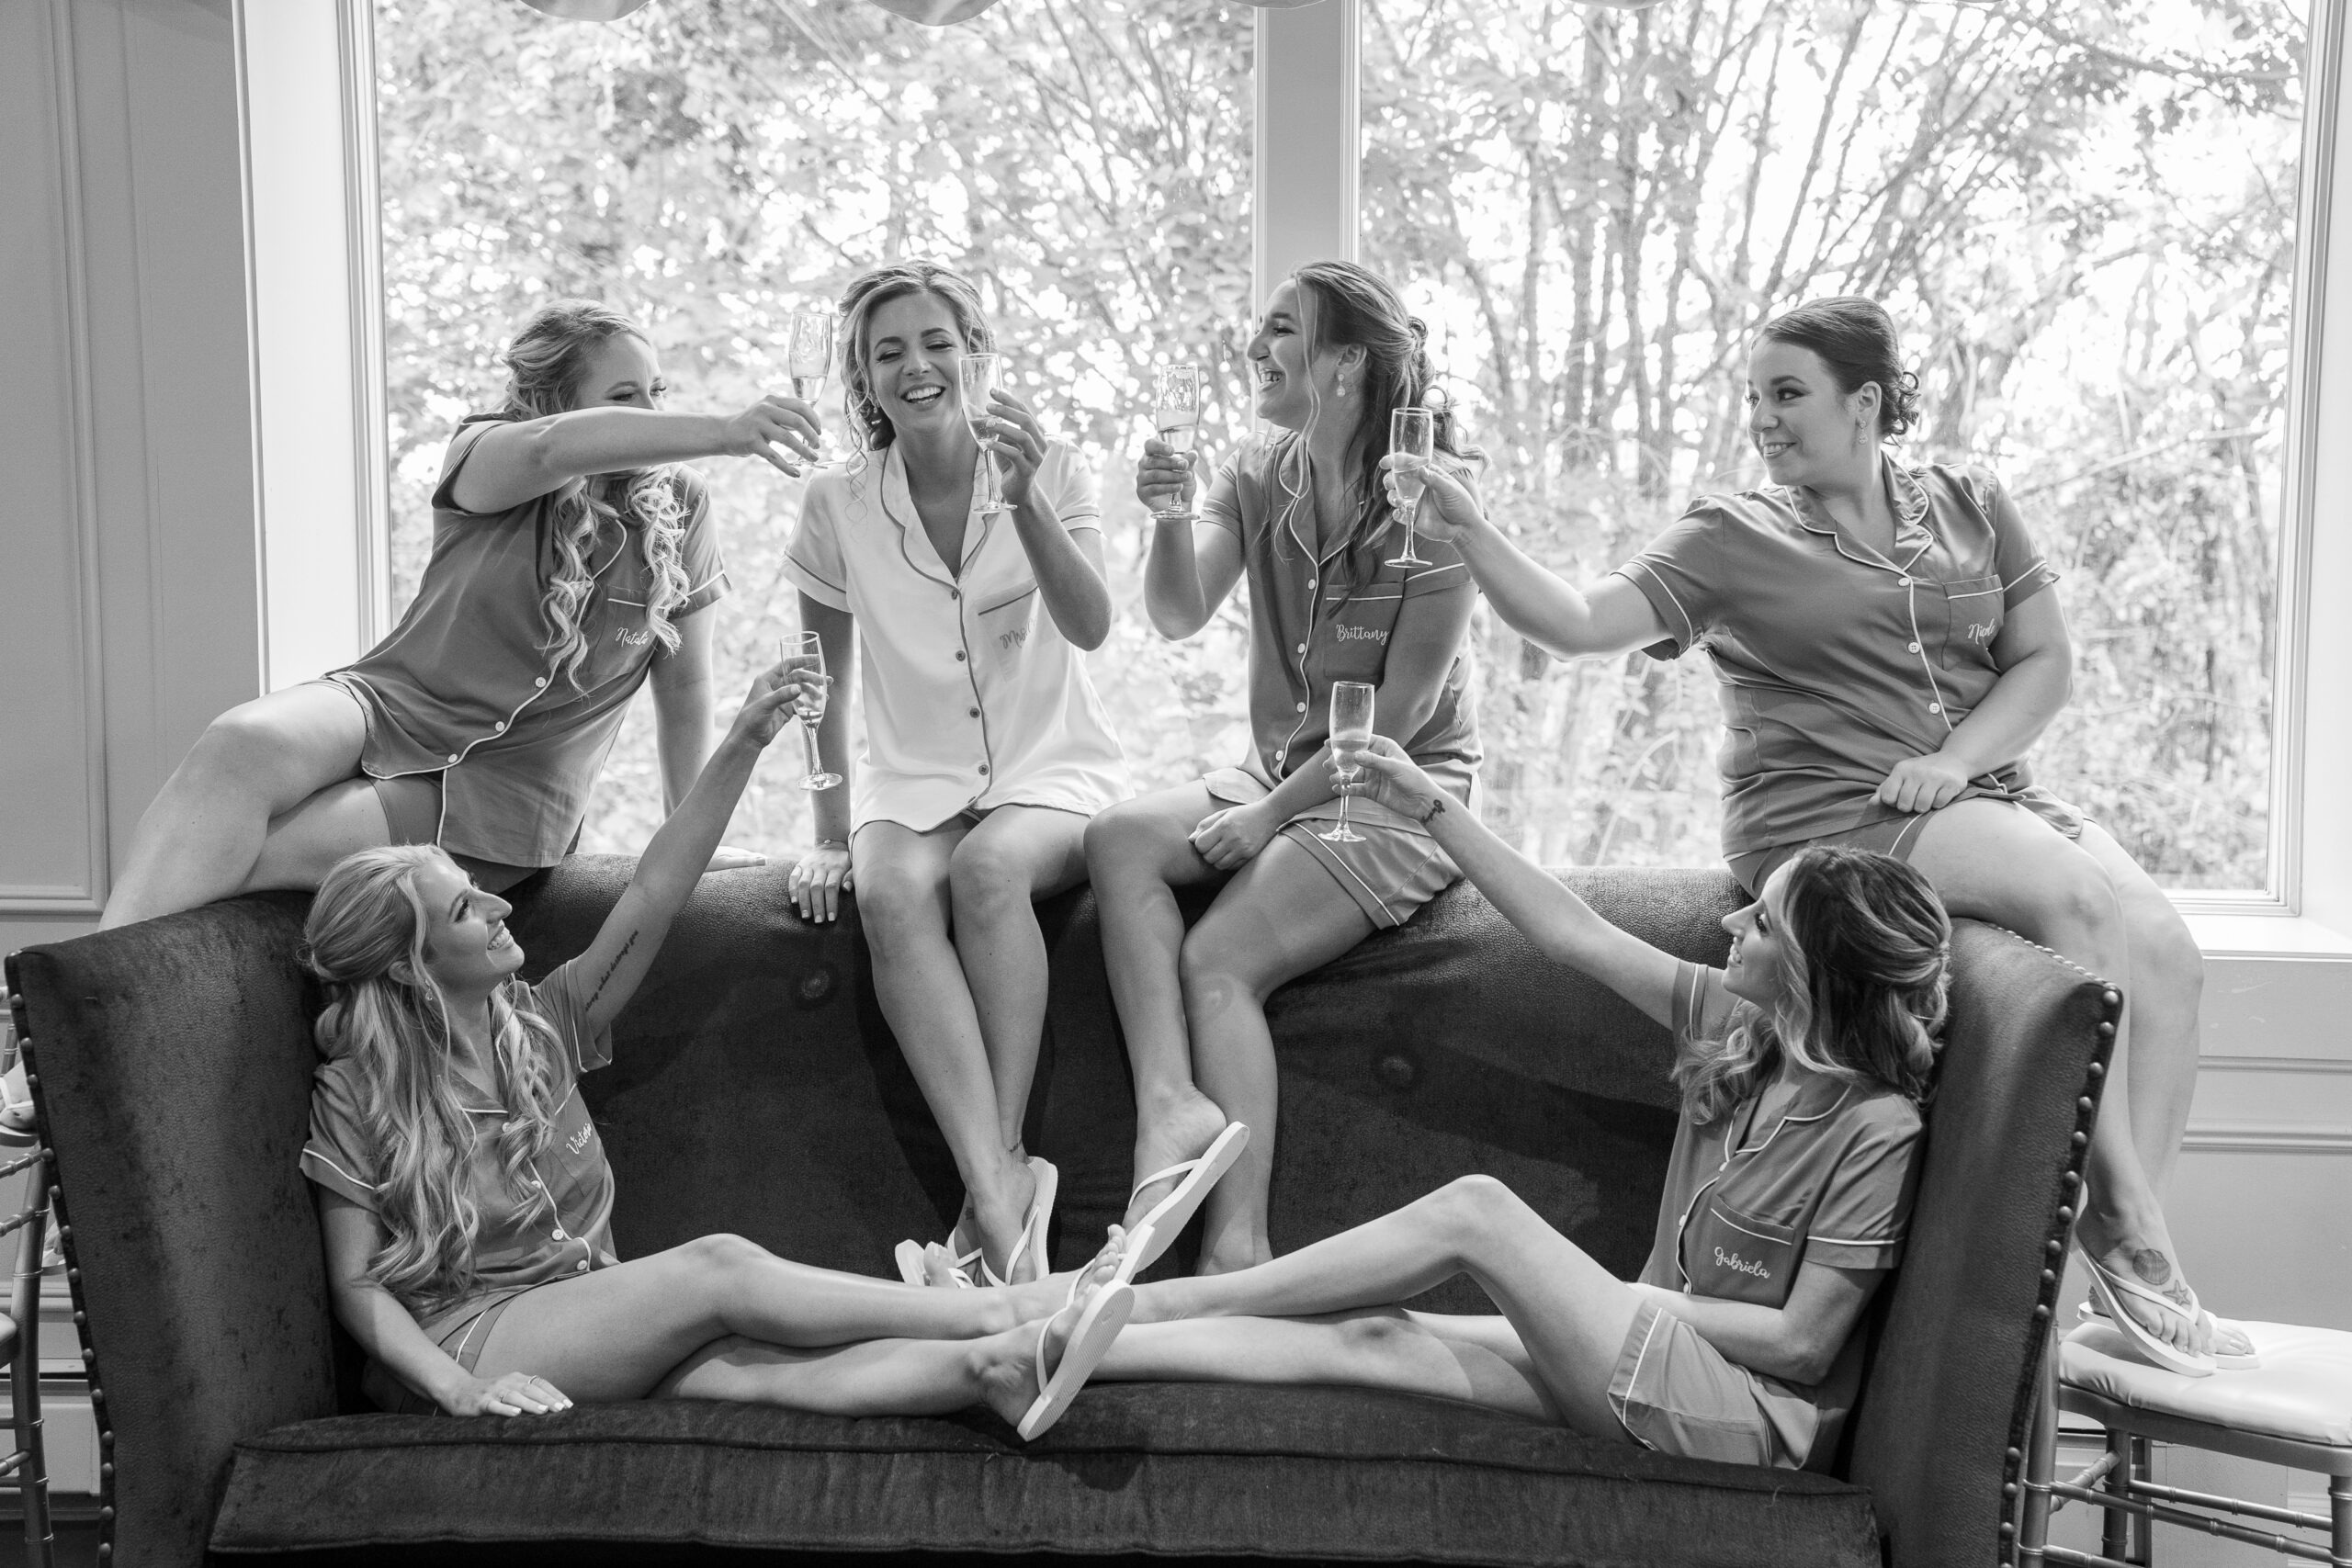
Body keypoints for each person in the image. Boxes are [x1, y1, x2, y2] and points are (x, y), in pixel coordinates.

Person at [1382, 295, 2239, 1374]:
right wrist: (1468, 528)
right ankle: (2121, 1227)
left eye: (1787, 394)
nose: (1762, 419)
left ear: (1865, 402)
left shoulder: (1971, 502)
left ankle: (2112, 1268)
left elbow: (2042, 661)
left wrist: (1957, 761)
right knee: (2072, 900)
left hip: (1977, 789)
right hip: (1830, 811)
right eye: (1753, 397)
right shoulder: (1729, 535)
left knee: (2168, 953)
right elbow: (1577, 624)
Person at [927, 747, 1946, 1472]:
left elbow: (1802, 1347)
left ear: (1809, 973)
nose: (1731, 921)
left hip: (1740, 1419)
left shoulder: (1876, 1129)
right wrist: (1428, 804)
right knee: (1371, 1338)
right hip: (1640, 1358)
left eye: (1762, 922)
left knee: (1478, 1212)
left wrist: (1595, 1297)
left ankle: (1161, 1300)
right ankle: (1050, 1342)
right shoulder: (1738, 1022)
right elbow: (1571, 932)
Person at [297, 663, 1132, 1438]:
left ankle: (994, 1368)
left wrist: (745, 739)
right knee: (719, 1268)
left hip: (585, 1314)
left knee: (763, 1369)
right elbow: (357, 1283)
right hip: (469, 1337)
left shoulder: (544, 1024)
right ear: (410, 966)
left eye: (477, 889)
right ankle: (1000, 1310)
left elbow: (655, 891)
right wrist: (455, 1387)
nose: (498, 908)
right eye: (462, 910)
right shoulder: (359, 1090)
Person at [101, 298, 814, 929]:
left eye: (657, 391)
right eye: (626, 398)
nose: (652, 416)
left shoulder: (682, 507)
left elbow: (685, 688)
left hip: (505, 794)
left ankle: (84, 1018)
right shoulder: (486, 451)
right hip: (389, 703)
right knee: (237, 742)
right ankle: (68, 1009)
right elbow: (552, 448)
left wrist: (691, 833)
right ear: (558, 401)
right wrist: (726, 430)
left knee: (250, 851)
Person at [1082, 261, 1481, 1278]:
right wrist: (1169, 517)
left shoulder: (1433, 503)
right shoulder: (1258, 472)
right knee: (1117, 838)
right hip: (1281, 774)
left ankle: (1237, 1251)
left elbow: (1402, 720)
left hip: (1396, 792)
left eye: (1279, 330)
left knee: (1219, 958)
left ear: (1345, 361)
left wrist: (1269, 819)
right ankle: (1169, 1108)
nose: (1253, 348)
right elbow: (1178, 612)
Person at [780, 262, 1131, 1287]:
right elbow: (821, 683)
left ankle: (999, 1176)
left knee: (987, 870)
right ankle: (1001, 1184)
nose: (916, 366)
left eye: (936, 342)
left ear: (974, 354)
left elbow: (1091, 626)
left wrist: (1025, 503)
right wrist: (827, 831)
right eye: (887, 352)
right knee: (891, 891)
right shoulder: (835, 504)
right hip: (911, 782)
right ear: (863, 378)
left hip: (1050, 770)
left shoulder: (1054, 468)